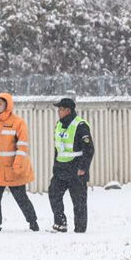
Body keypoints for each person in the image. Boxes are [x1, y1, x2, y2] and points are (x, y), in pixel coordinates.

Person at [0, 92, 39, 232]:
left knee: (21, 198)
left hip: (13, 169)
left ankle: (33, 222)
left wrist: (18, 164)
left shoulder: (18, 122)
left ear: (7, 105)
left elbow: (22, 146)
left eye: (0, 104)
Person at [49, 97, 94, 233]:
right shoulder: (59, 125)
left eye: (61, 109)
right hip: (61, 169)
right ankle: (60, 222)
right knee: (54, 194)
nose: (58, 112)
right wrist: (56, 166)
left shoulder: (80, 126)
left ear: (68, 110)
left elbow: (89, 149)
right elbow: (59, 148)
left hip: (76, 168)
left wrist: (83, 168)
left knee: (78, 201)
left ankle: (80, 230)